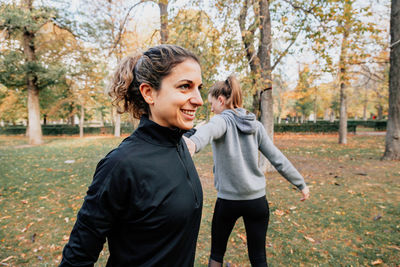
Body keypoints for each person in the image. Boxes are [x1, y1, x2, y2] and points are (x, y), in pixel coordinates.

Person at [60, 44, 204, 266]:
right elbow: (78, 256)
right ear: (149, 93)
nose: (198, 100)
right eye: (185, 87)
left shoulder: (180, 146)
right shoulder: (121, 164)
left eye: (198, 88)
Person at [184, 75, 310, 267]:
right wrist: (300, 183)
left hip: (228, 202)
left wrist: (192, 143)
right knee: (258, 256)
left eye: (211, 103)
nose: (211, 108)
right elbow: (278, 158)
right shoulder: (255, 125)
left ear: (221, 100)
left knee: (217, 254)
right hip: (257, 202)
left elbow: (208, 131)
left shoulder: (221, 121)